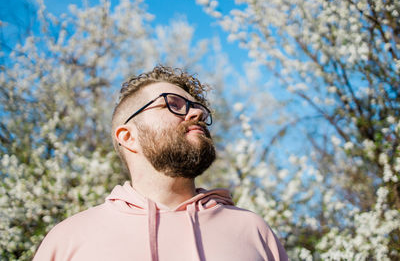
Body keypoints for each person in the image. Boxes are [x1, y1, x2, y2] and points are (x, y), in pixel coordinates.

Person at [33, 65, 288, 261]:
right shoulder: (70, 239)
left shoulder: (252, 230)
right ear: (128, 137)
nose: (197, 113)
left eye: (199, 108)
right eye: (173, 104)